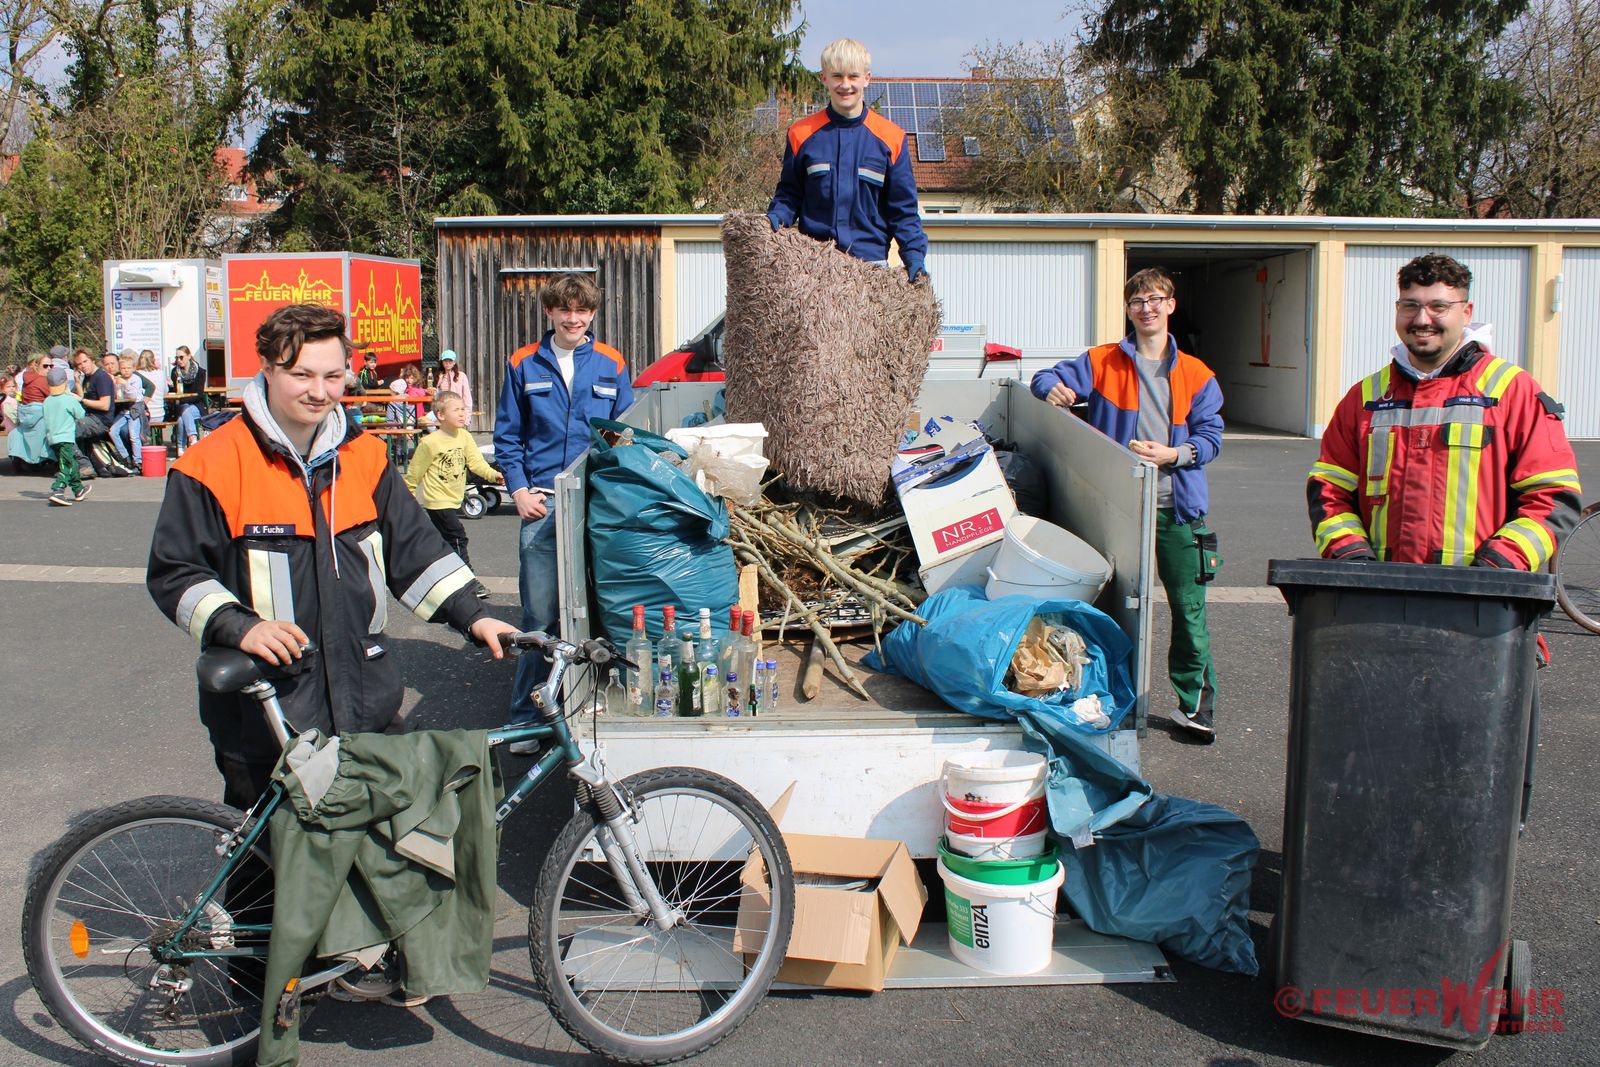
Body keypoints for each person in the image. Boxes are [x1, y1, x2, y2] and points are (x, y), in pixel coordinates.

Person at [146, 302, 518, 814]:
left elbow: (415, 550)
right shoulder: (211, 464)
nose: (319, 392)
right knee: (272, 852)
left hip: (366, 696)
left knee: (378, 842)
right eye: (301, 375)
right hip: (267, 706)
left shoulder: (364, 456)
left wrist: (474, 616)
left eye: (333, 376)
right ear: (267, 368)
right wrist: (240, 627)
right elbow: (176, 573)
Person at [1031, 267, 1225, 742]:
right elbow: (1044, 377)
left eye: (1155, 299)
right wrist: (1049, 388)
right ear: (1128, 309)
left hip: (1177, 509)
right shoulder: (1102, 361)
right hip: (1118, 506)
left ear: (1171, 305)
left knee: (1188, 609)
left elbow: (1211, 437)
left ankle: (1194, 706)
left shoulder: (1197, 374)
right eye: (1138, 301)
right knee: (1109, 604)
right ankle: (1103, 694)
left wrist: (1174, 455)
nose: (1147, 308)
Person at [1309, 253, 1580, 568]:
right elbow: (1329, 488)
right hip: (1381, 588)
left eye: (1438, 307)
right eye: (1410, 306)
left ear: (1466, 312)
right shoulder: (1366, 397)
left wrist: (1497, 567)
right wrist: (1352, 558)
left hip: (1480, 592)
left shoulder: (1512, 390)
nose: (1422, 319)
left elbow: (1553, 497)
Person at [495, 273, 634, 722]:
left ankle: (591, 701)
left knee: (599, 604)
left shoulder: (611, 362)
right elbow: (507, 436)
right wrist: (518, 490)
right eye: (564, 310)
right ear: (549, 312)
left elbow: (625, 436)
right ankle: (525, 716)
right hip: (542, 501)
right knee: (539, 615)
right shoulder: (523, 362)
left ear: (592, 314)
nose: (573, 319)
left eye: (582, 310)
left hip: (597, 501)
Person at [767, 37, 930, 283]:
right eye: (837, 76)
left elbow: (903, 211)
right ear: (824, 78)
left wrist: (914, 257)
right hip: (815, 269)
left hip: (870, 269)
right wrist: (776, 218)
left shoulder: (892, 139)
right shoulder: (801, 134)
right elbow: (789, 196)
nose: (845, 85)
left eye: (853, 76)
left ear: (867, 78)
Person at [406, 390, 503, 600]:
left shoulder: (464, 436)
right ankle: (468, 582)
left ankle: (434, 579)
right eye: (456, 410)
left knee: (445, 542)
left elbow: (476, 463)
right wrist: (408, 499)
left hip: (454, 498)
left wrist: (494, 475)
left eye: (463, 409)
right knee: (458, 537)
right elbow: (414, 474)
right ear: (441, 415)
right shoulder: (429, 442)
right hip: (437, 501)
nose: (462, 413)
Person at [72, 350, 132, 477]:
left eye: (85, 361)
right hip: (90, 417)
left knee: (67, 431)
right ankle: (79, 465)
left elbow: (105, 405)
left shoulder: (101, 377)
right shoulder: (87, 377)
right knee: (67, 428)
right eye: (79, 364)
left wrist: (82, 400)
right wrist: (77, 382)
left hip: (100, 420)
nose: (83, 366)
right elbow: (83, 397)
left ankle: (84, 466)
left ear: (92, 360)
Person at [42, 364, 91, 506]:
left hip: (52, 439)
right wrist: (72, 396)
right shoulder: (68, 399)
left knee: (70, 462)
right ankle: (58, 490)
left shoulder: (47, 401)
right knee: (67, 465)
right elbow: (81, 414)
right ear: (64, 383)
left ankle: (78, 489)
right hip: (66, 438)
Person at [109, 350, 148, 473]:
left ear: (133, 368)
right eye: (123, 368)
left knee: (133, 435)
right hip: (124, 409)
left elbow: (133, 396)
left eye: (128, 368)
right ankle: (124, 456)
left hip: (134, 409)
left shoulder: (136, 379)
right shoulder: (119, 379)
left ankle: (138, 461)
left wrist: (125, 384)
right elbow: (118, 395)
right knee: (112, 431)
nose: (126, 371)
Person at [169, 345, 208, 454]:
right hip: (181, 406)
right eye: (177, 358)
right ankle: (192, 437)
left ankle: (181, 447)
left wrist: (183, 399)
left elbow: (199, 395)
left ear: (189, 356)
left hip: (196, 405)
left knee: (182, 417)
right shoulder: (175, 372)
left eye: (181, 357)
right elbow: (173, 392)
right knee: (184, 410)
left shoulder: (200, 372)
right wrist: (170, 385)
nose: (179, 360)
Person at [436, 349, 473, 418]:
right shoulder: (438, 376)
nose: (447, 363)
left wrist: (467, 416)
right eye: (445, 361)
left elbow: (467, 397)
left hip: (457, 409)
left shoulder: (461, 376)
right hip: (443, 409)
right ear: (442, 362)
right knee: (426, 420)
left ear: (454, 362)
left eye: (450, 361)